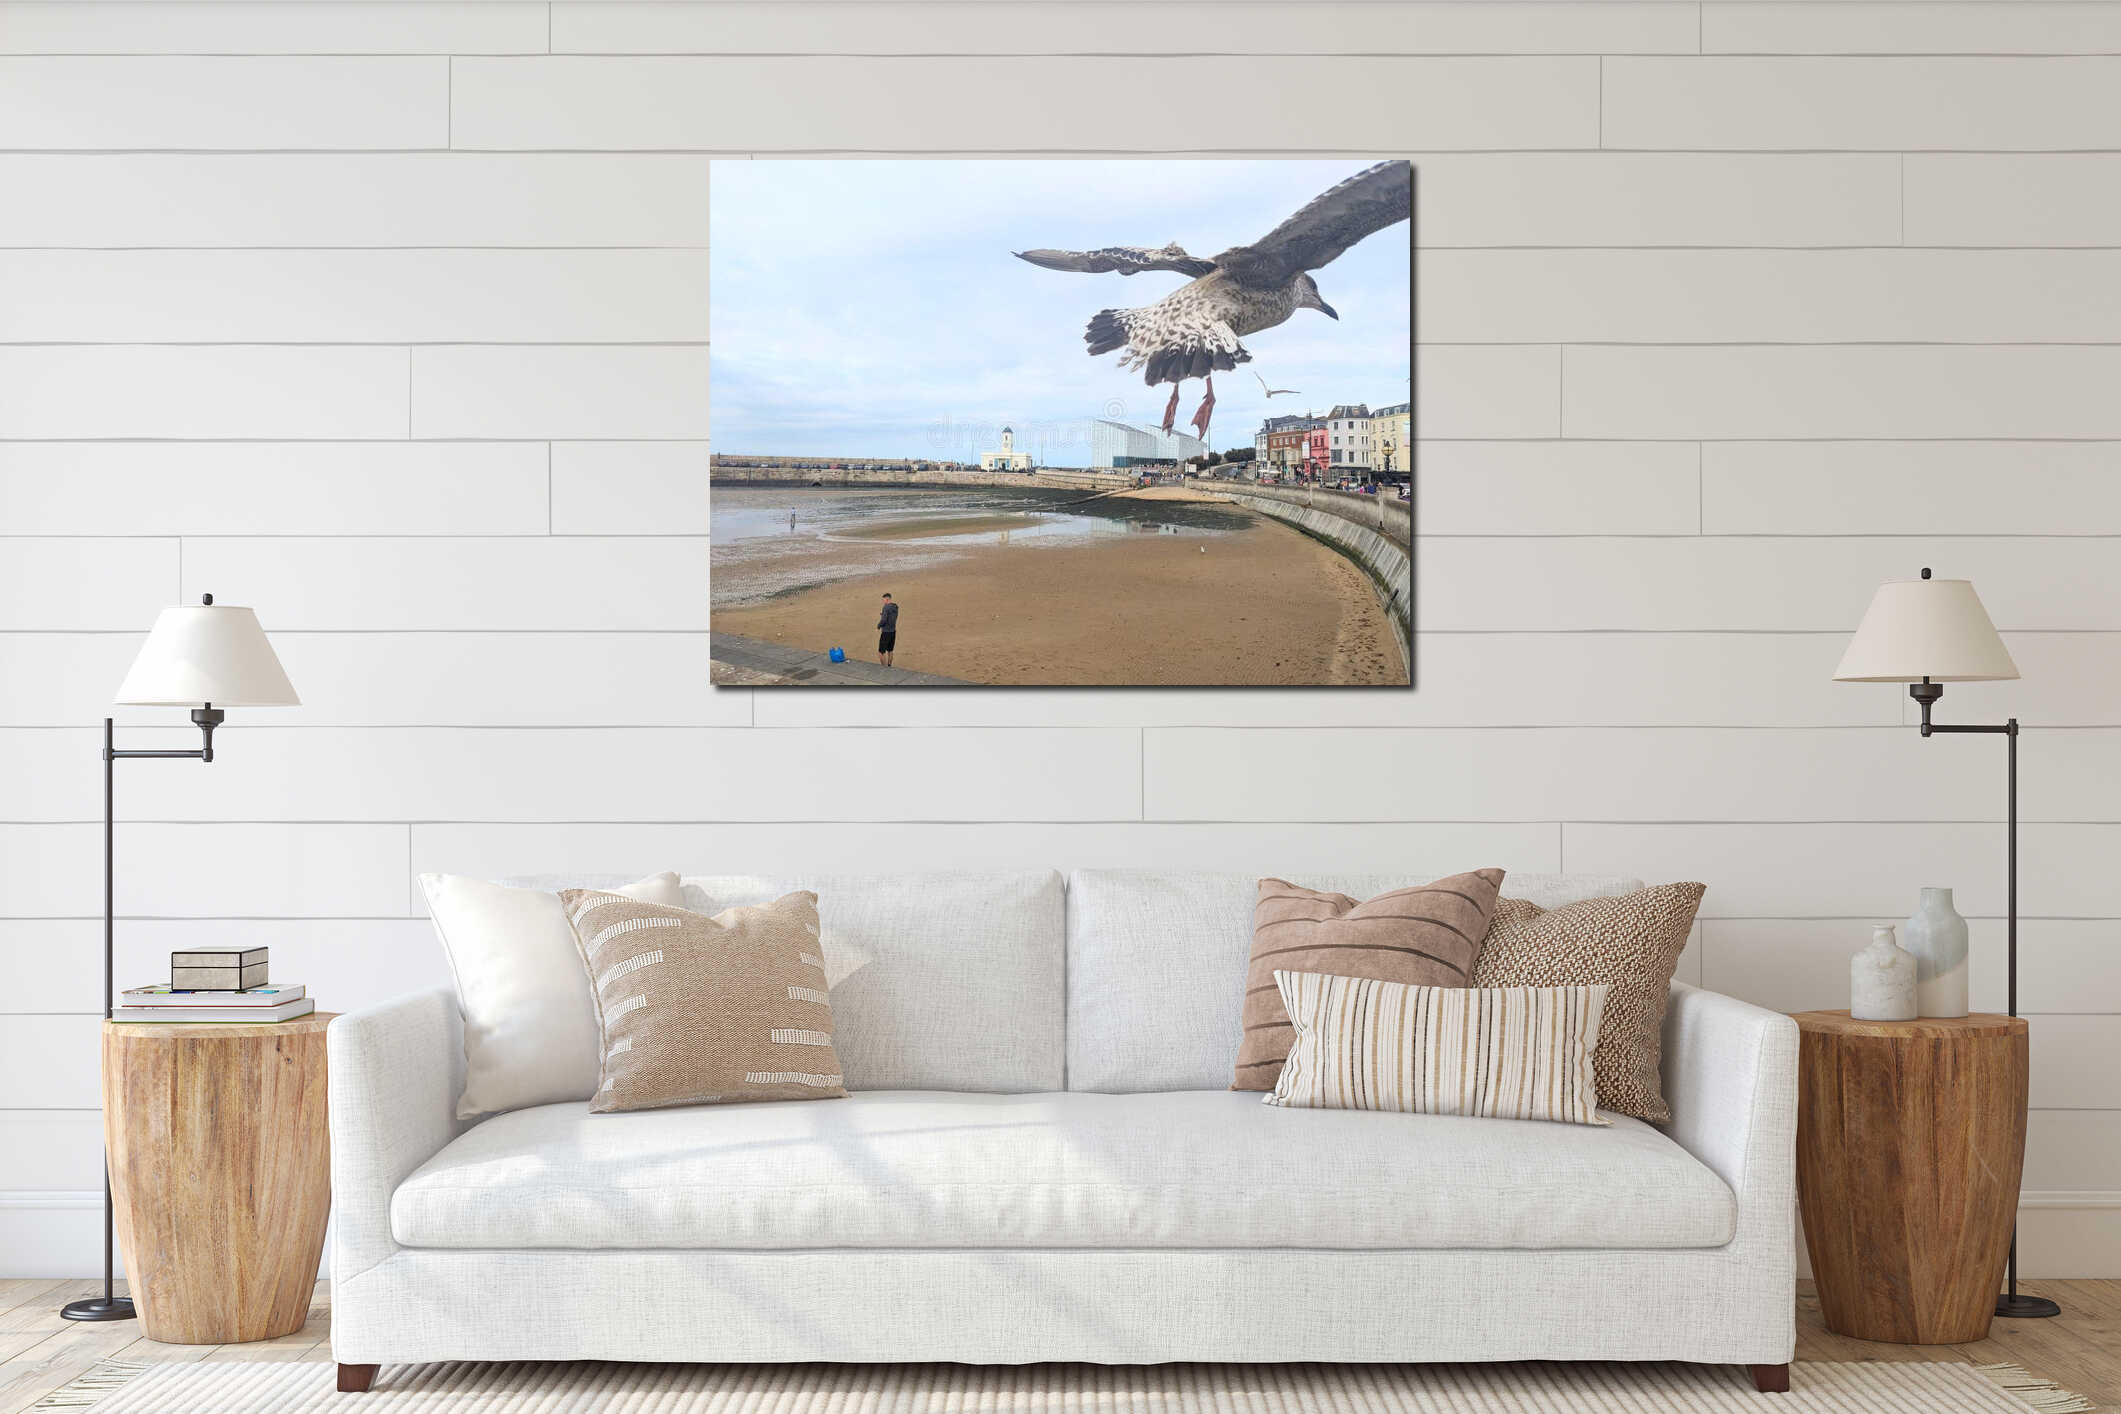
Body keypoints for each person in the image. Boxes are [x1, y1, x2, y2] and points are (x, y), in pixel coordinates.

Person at [876, 592, 899, 666]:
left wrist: (878, 626)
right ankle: (889, 665)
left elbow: (884, 620)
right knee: (890, 650)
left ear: (887, 599)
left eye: (884, 600)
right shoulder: (895, 607)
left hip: (886, 632)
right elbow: (891, 617)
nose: (883, 601)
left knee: (881, 652)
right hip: (893, 631)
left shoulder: (886, 607)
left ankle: (884, 668)